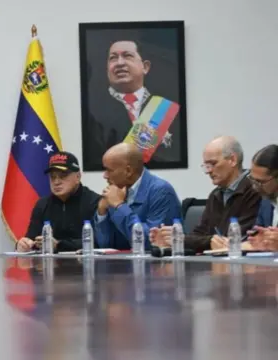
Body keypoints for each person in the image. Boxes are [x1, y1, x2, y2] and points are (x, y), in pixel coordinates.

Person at [85, 37, 182, 169]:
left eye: (127, 56)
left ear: (145, 67)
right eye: (113, 58)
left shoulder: (165, 108)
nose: (119, 63)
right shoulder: (94, 111)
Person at [150, 136, 261, 252]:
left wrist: (185, 240)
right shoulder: (216, 195)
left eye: (213, 164)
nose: (208, 171)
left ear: (232, 160)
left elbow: (233, 238)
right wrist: (175, 238)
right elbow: (199, 234)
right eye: (206, 166)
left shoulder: (255, 189)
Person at [94, 143, 182, 250]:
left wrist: (120, 206)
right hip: (123, 263)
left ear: (128, 171)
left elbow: (151, 243)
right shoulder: (117, 190)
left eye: (109, 170)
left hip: (157, 264)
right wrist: (101, 213)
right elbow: (106, 246)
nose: (105, 175)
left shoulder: (161, 191)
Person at [15, 151, 101, 252]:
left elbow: (98, 242)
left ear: (78, 177)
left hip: (85, 265)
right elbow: (31, 239)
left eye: (63, 176)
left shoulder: (95, 201)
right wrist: (23, 244)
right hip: (49, 266)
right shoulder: (42, 205)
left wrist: (59, 245)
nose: (56, 182)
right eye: (52, 177)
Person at [247, 145, 278, 251]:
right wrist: (257, 241)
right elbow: (257, 234)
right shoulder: (265, 201)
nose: (255, 187)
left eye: (260, 182)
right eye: (253, 180)